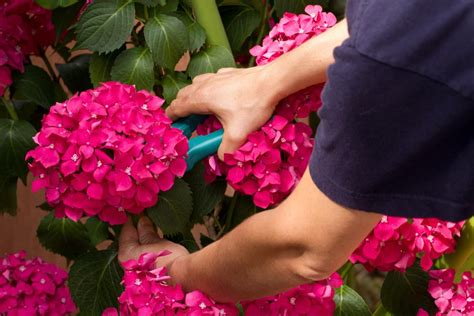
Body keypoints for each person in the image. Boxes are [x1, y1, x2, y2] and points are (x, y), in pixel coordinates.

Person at [118, 0, 474, 303]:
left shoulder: (389, 74)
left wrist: (177, 273)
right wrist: (267, 80)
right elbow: (396, 28)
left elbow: (303, 250)